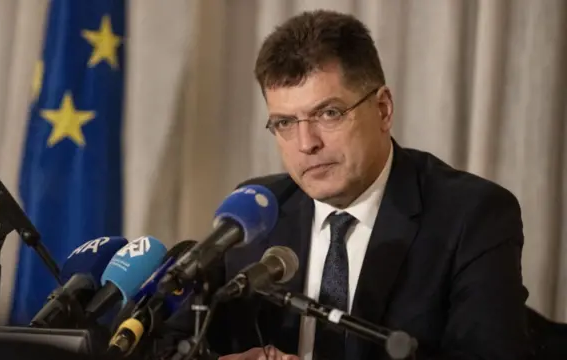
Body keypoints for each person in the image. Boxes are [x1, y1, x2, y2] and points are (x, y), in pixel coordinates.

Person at [175, 9, 530, 360]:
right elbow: (180, 340)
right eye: (284, 122)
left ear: (383, 110)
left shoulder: (471, 216)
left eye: (328, 113)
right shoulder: (258, 212)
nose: (306, 144)